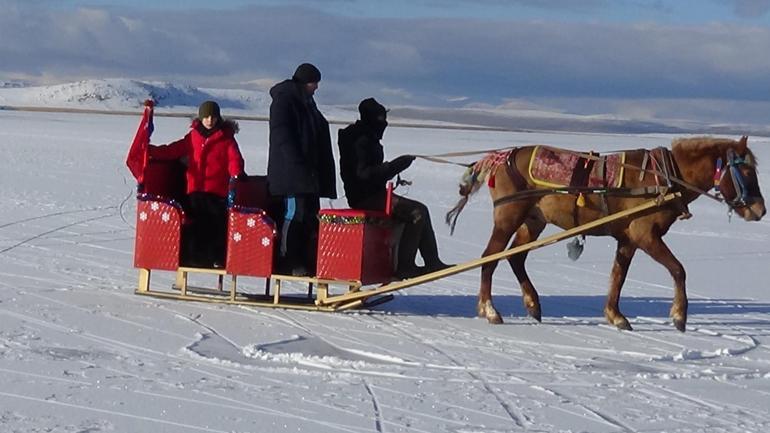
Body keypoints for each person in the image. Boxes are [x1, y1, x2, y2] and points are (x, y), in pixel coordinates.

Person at [338, 97, 450, 279]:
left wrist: (395, 167)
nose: (384, 123)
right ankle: (406, 266)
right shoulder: (359, 139)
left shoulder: (367, 136)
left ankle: (432, 262)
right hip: (363, 196)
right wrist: (395, 166)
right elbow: (364, 174)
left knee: (421, 210)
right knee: (417, 212)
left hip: (373, 193)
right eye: (380, 118)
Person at [148, 100, 245, 268]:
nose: (209, 120)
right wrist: (151, 151)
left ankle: (215, 258)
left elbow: (235, 160)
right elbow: (173, 150)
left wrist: (236, 175)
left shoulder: (226, 138)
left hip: (216, 191)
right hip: (195, 189)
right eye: (206, 117)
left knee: (215, 224)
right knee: (194, 223)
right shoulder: (193, 137)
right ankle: (193, 258)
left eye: (213, 117)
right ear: (201, 118)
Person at [267, 63, 337, 276]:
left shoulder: (307, 102)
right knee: (293, 214)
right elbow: (282, 134)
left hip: (308, 173)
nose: (316, 87)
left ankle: (306, 259)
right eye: (314, 83)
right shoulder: (285, 100)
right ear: (306, 82)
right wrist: (297, 162)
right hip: (290, 174)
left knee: (309, 216)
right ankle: (288, 259)